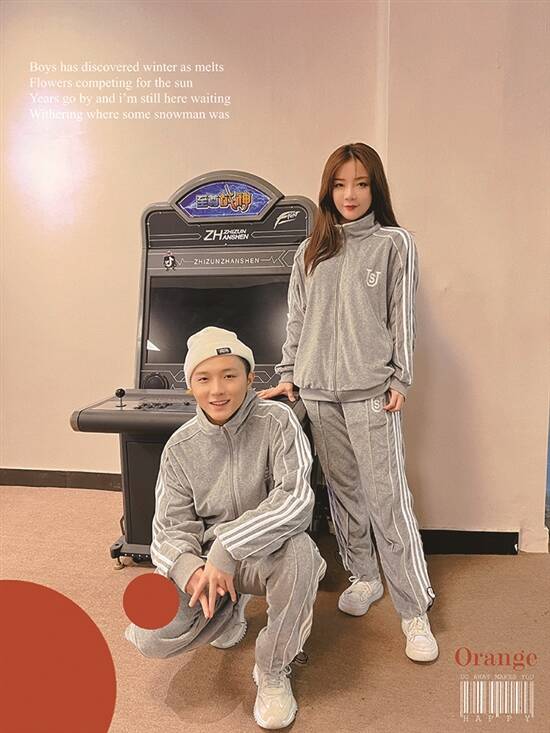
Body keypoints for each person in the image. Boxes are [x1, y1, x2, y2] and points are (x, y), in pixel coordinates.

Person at [258, 142, 438, 663]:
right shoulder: (311, 249)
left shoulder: (394, 244)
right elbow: (297, 317)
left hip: (372, 392)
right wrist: (289, 374)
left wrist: (401, 378)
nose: (350, 194)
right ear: (327, 190)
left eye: (360, 183)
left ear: (374, 186)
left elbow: (403, 316)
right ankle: (364, 575)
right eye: (339, 184)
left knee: (388, 499)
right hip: (318, 392)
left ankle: (414, 610)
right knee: (344, 492)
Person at [125, 326, 326, 730]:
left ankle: (272, 670)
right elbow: (166, 532)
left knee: (302, 555)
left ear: (250, 379)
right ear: (191, 386)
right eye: (204, 378)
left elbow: (296, 500)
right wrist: (190, 570)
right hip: (208, 564)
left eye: (229, 375)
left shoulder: (278, 422)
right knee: (149, 634)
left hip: (267, 552)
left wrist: (229, 547)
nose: (217, 390)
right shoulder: (179, 448)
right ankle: (230, 610)